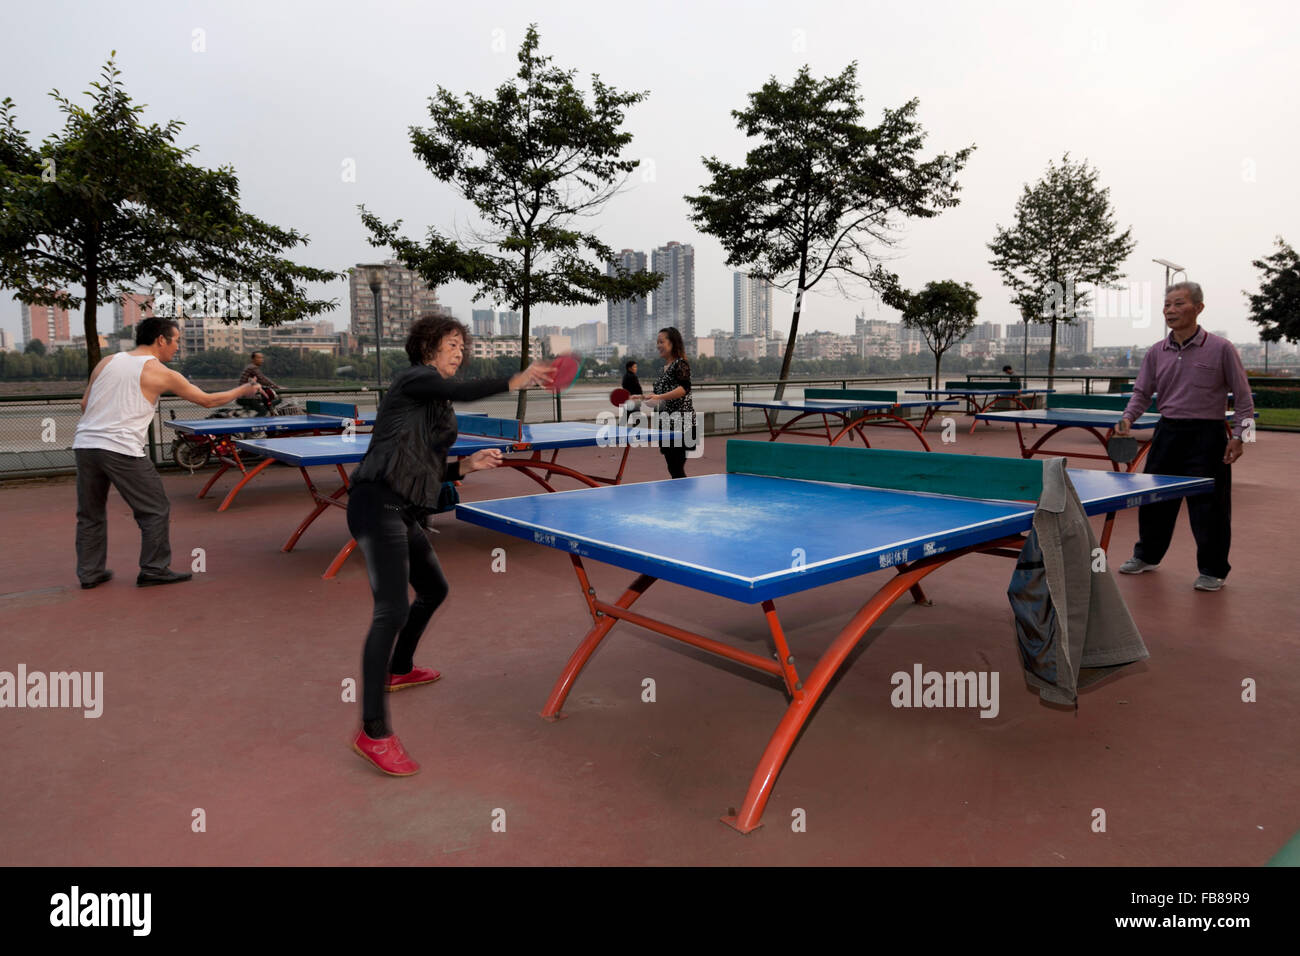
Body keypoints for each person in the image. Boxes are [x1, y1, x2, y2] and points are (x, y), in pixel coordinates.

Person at [347, 314, 553, 776]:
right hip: (376, 502)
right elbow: (461, 390)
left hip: (405, 508)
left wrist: (466, 468)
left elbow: (422, 463)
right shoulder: (413, 380)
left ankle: (400, 668)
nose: (459, 352)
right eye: (451, 344)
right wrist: (513, 379)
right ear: (427, 348)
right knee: (391, 610)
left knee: (435, 589)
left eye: (463, 345)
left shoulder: (436, 406)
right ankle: (373, 731)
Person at [74, 317, 262, 588]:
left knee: (90, 514)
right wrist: (243, 389)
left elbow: (84, 403)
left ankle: (89, 573)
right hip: (121, 449)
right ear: (161, 339)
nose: (177, 347)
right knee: (155, 509)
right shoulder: (159, 372)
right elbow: (207, 400)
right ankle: (154, 569)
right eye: (176, 341)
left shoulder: (107, 362)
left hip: (85, 445)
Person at [1114, 282, 1254, 591]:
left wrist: (1242, 437)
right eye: (1166, 305)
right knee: (1154, 501)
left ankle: (1213, 569)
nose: (1170, 310)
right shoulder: (1156, 351)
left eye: (1178, 304)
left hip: (1209, 435)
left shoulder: (1221, 348)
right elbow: (1141, 393)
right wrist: (1127, 419)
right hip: (1168, 432)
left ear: (1198, 308)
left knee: (1210, 508)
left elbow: (1244, 400)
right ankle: (1147, 556)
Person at [640, 327, 697, 479]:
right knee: (673, 468)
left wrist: (659, 397)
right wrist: (648, 399)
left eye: (661, 342)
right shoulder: (662, 370)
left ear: (672, 343)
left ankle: (684, 500)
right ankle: (681, 499)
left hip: (681, 423)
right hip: (665, 423)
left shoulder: (681, 364)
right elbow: (661, 397)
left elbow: (684, 388)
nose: (658, 345)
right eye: (657, 342)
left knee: (676, 468)